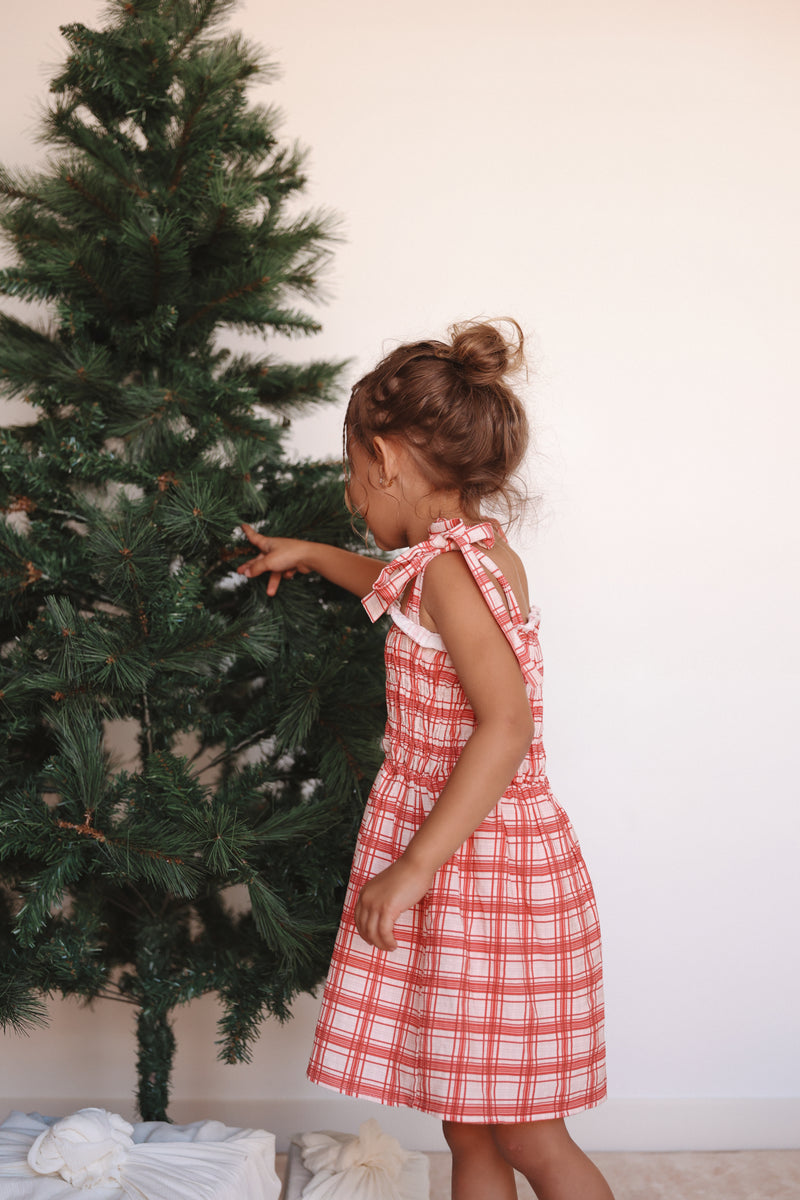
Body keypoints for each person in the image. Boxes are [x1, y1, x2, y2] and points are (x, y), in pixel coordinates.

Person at [238, 319, 614, 1200]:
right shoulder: (457, 559)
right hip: (469, 866)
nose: (351, 498)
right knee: (466, 1120)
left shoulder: (451, 572)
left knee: (527, 1131)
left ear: (383, 458)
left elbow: (505, 726)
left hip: (483, 872)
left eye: (349, 475)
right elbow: (390, 584)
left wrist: (412, 867)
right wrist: (315, 555)